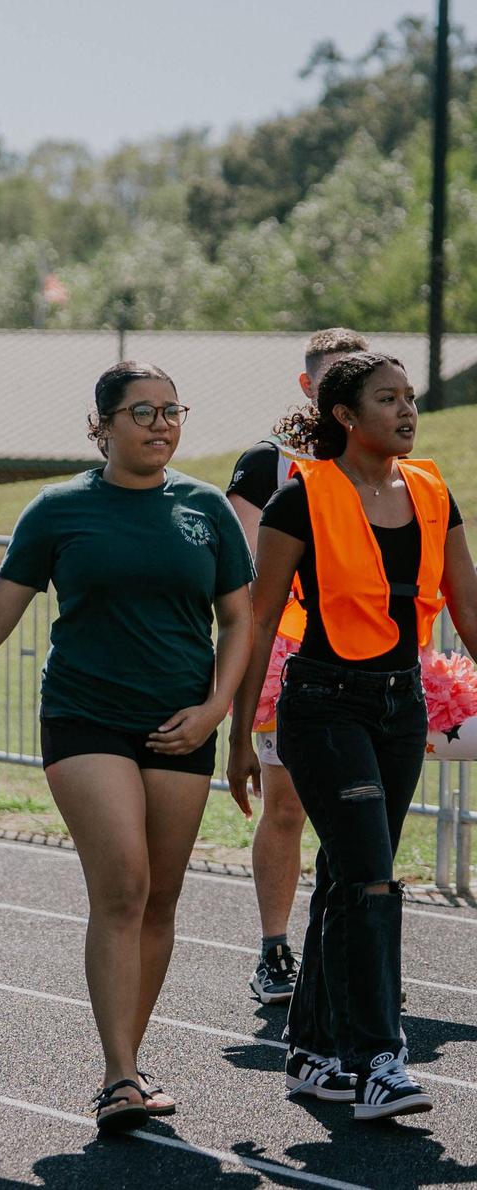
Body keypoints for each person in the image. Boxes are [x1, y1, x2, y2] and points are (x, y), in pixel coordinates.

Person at [0, 362, 251, 1132]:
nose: (159, 423)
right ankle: (117, 1076)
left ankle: (132, 1058)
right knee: (122, 883)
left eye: (171, 411)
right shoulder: (59, 510)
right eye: (141, 411)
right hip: (85, 719)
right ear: (102, 425)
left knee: (162, 899)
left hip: (182, 724)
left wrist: (216, 709)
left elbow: (241, 622)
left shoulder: (206, 508)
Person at [230, 352, 477, 1122]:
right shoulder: (299, 502)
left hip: (401, 709)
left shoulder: (434, 491)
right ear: (345, 415)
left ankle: (308, 1052)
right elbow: (259, 620)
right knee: (372, 876)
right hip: (321, 705)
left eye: (410, 399)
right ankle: (378, 1057)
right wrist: (240, 733)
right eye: (388, 399)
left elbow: (467, 601)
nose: (407, 412)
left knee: (345, 874)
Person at [224, 327, 369, 1006]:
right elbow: (248, 576)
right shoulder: (266, 464)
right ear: (309, 388)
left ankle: (342, 944)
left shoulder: (391, 461)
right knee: (286, 806)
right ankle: (274, 949)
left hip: (374, 659)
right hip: (293, 657)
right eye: (335, 380)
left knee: (362, 809)